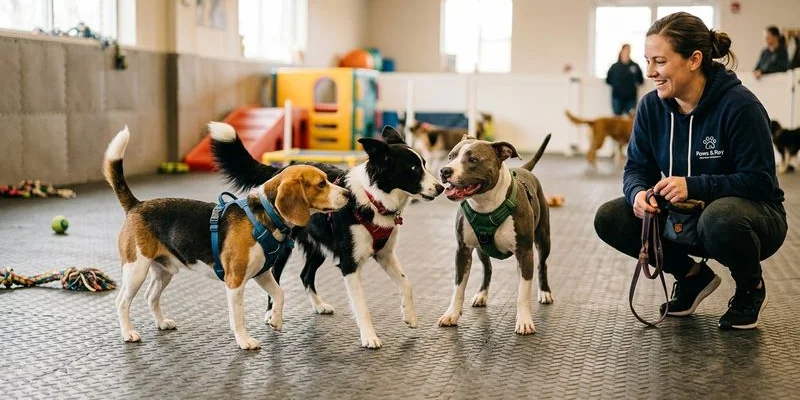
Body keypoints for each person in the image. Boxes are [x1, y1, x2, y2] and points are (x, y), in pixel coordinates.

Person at [594, 12, 787, 330]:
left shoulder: (741, 107)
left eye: (659, 61)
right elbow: (636, 169)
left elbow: (761, 182)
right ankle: (691, 277)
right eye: (648, 60)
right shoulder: (650, 107)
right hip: (684, 217)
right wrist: (638, 194)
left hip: (751, 218)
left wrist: (693, 186)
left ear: (694, 59)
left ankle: (750, 287)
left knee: (721, 217)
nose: (650, 72)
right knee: (610, 217)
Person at [606, 44, 644, 116]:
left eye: (629, 50)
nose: (627, 52)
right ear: (622, 51)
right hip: (617, 97)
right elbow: (608, 80)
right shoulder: (614, 67)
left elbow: (640, 80)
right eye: (626, 50)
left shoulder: (635, 66)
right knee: (617, 120)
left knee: (631, 120)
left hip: (631, 98)